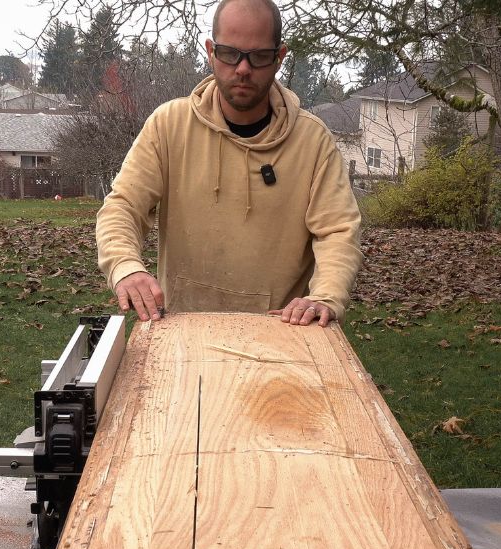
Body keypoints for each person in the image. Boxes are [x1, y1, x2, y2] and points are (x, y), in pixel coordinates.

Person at [95, 0, 362, 327]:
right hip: (182, 328)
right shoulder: (169, 125)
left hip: (281, 332)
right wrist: (126, 266)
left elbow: (338, 230)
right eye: (230, 53)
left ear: (279, 58)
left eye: (259, 56)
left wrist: (325, 295)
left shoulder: (312, 141)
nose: (243, 68)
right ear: (211, 51)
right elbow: (122, 206)